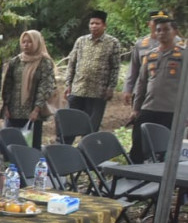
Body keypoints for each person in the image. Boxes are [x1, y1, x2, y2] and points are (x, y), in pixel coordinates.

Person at [131, 14, 183, 163]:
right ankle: (135, 175)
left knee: (167, 149)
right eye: (159, 30)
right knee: (138, 144)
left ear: (174, 32)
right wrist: (136, 109)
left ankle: (162, 181)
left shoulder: (183, 55)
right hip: (149, 107)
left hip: (172, 110)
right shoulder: (150, 55)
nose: (161, 33)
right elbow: (141, 83)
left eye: (166, 30)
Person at [0, 29, 57, 149]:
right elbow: (8, 84)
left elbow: (45, 86)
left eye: (29, 42)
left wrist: (36, 109)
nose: (26, 45)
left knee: (31, 146)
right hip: (13, 111)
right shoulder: (16, 61)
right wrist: (6, 105)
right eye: (23, 42)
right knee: (11, 144)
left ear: (37, 43)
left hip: (32, 112)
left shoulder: (44, 62)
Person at [65, 10, 121, 132]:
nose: (94, 26)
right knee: (70, 123)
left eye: (97, 23)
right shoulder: (81, 41)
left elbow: (115, 67)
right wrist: (68, 84)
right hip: (78, 89)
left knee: (91, 126)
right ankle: (67, 147)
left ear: (104, 25)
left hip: (98, 92)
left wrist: (111, 87)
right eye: (91, 23)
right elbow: (72, 63)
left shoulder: (113, 43)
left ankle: (86, 149)